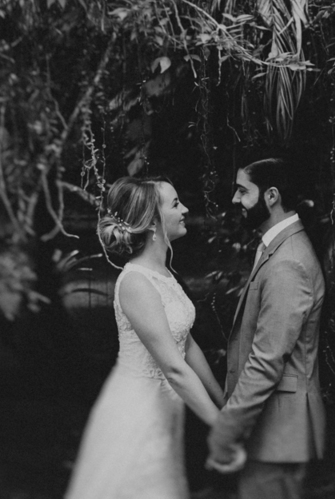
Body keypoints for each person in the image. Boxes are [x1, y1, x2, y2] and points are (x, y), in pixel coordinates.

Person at [66, 176, 244, 499]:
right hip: (137, 412)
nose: (186, 209)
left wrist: (224, 403)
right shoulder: (135, 283)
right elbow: (174, 368)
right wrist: (221, 430)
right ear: (152, 222)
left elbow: (186, 344)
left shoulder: (165, 275)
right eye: (176, 204)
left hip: (167, 409)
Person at [206, 157, 327, 499]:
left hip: (279, 436)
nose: (235, 200)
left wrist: (225, 430)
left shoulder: (288, 261)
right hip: (274, 433)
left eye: (243, 191)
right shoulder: (277, 248)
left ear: (271, 196)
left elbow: (266, 361)